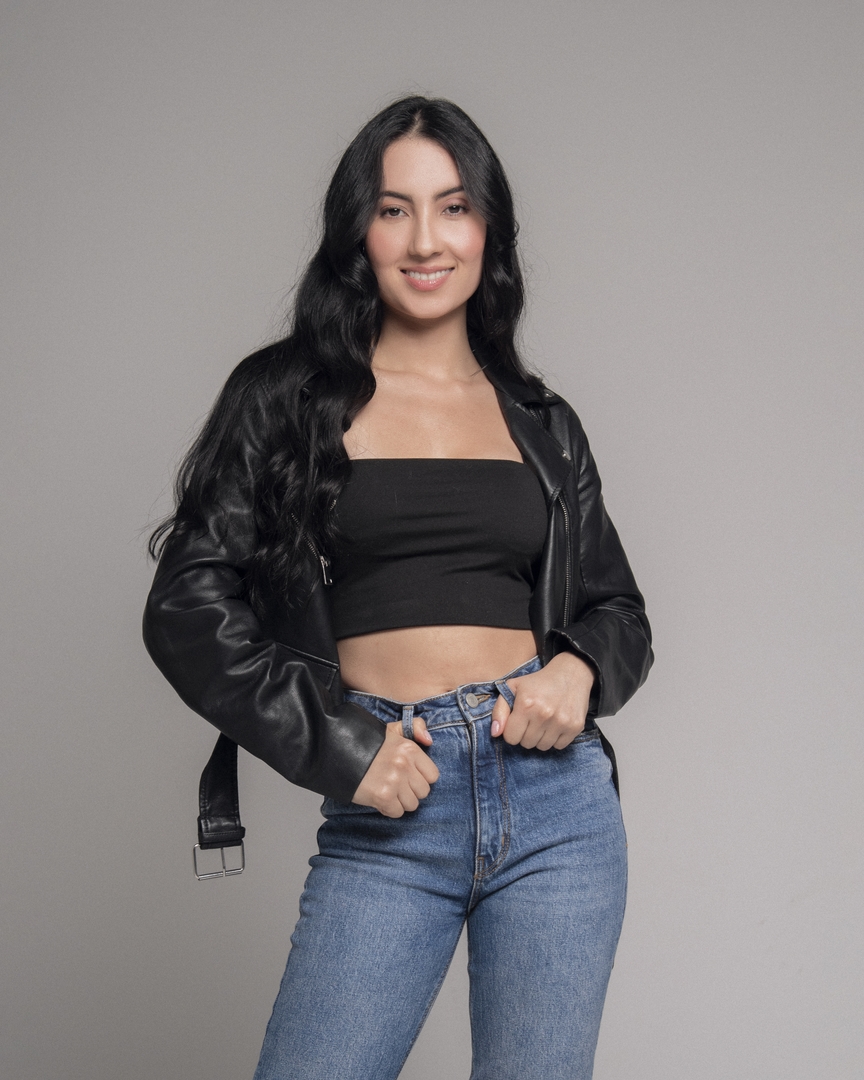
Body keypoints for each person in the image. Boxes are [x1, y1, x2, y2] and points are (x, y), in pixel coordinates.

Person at [144, 96, 653, 1080]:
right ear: (358, 232)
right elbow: (187, 608)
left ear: (489, 230)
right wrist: (342, 747)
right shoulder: (285, 400)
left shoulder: (542, 421)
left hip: (559, 809)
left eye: (454, 207)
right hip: (393, 803)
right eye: (394, 209)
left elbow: (616, 609)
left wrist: (580, 670)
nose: (426, 239)